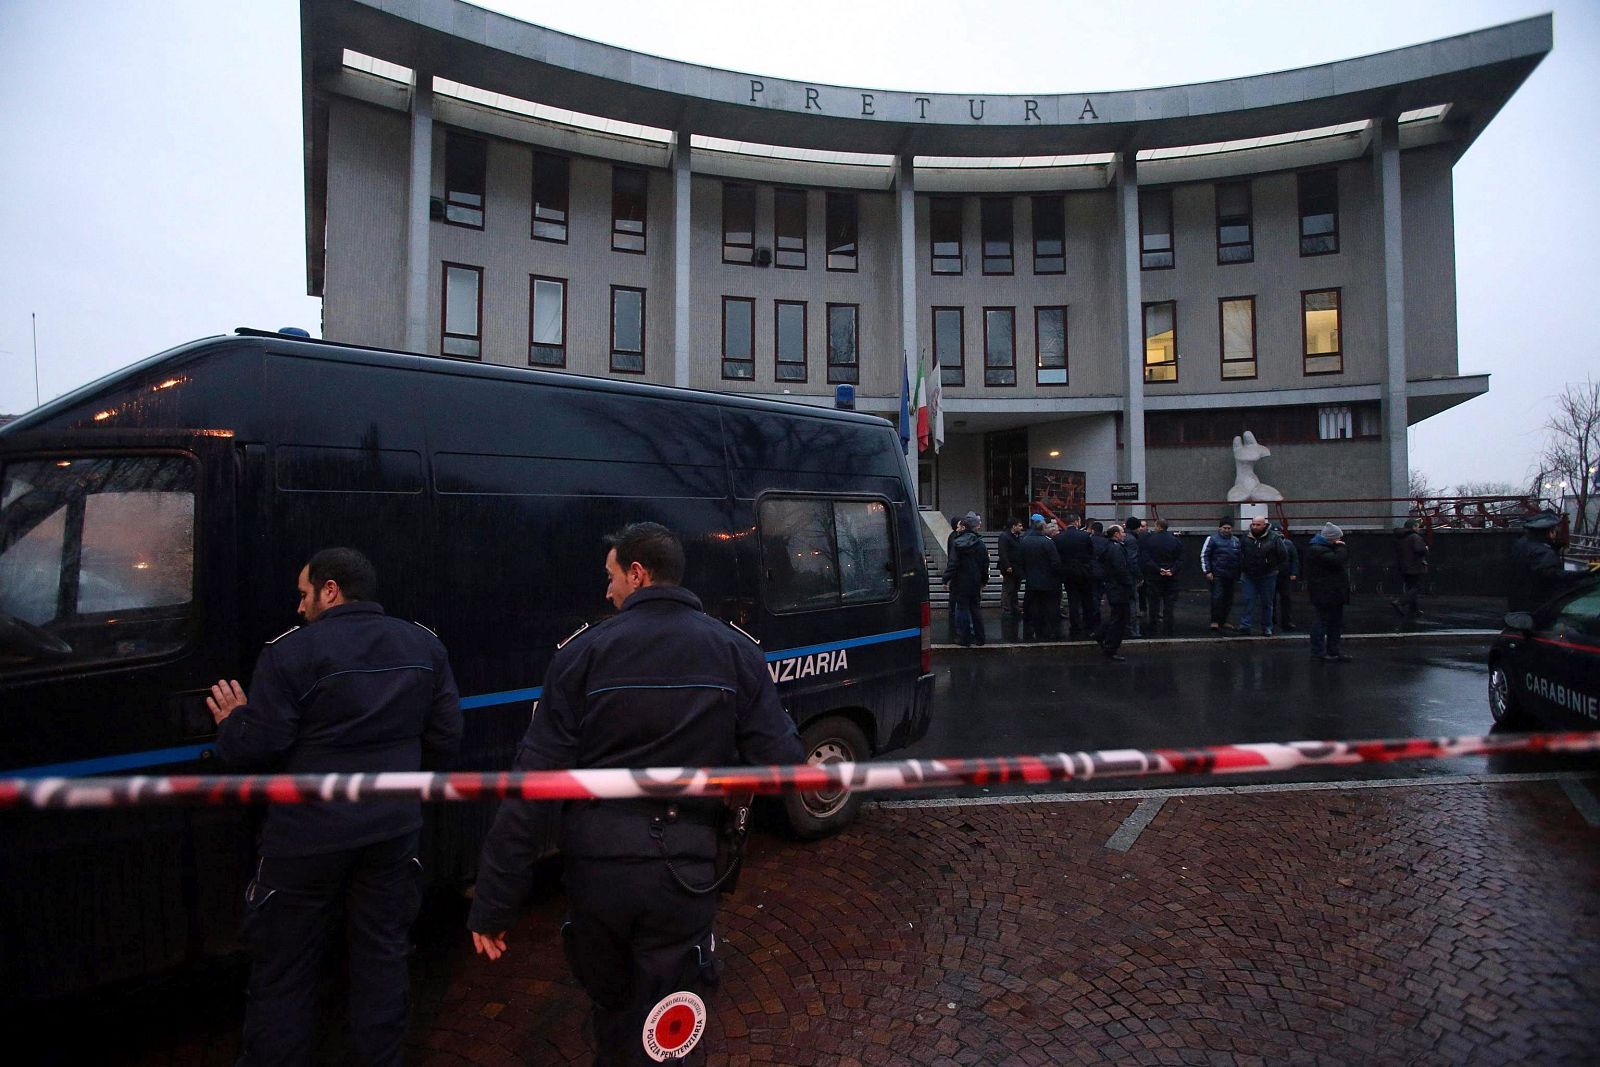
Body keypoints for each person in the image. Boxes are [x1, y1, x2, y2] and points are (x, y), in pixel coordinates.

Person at [467, 522, 803, 1066]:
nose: (607, 590)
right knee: (672, 1023)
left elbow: (533, 785)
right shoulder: (735, 651)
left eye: (611, 576)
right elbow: (786, 767)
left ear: (638, 573)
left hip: (598, 869)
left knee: (614, 1011)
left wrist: (494, 900)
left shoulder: (582, 654)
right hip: (687, 870)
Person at [205, 548, 464, 1067]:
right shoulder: (424, 645)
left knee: (285, 971)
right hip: (391, 834)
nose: (299, 608)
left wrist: (233, 721)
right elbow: (446, 738)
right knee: (382, 958)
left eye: (304, 594)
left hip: (305, 841)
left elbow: (259, 746)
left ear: (330, 590)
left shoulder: (289, 654)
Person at [1507, 509, 1585, 613]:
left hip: (1518, 604)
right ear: (1550, 532)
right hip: (1539, 607)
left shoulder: (1521, 544)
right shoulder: (1544, 552)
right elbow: (1553, 577)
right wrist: (1584, 574)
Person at [1303, 522, 1353, 662]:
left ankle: (1333, 651)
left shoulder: (1322, 548)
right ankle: (1318, 652)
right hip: (1325, 592)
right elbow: (1337, 560)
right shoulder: (1317, 550)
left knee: (1335, 623)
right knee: (1322, 622)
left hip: (1333, 592)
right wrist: (1341, 547)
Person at [944, 511, 990, 646]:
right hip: (975, 581)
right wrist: (984, 580)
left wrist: (946, 578)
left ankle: (964, 638)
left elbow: (953, 563)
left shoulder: (957, 543)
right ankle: (980, 638)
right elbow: (984, 564)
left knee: (962, 609)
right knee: (975, 609)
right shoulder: (980, 544)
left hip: (960, 581)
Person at [1237, 515, 1287, 636]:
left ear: (1264, 525)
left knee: (1267, 602)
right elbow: (1239, 554)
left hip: (1268, 575)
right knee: (1248, 600)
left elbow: (1283, 555)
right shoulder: (1246, 538)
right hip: (1249, 574)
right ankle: (1245, 625)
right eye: (1253, 524)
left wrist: (1275, 569)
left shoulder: (1274, 538)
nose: (1255, 527)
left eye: (1258, 525)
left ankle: (1267, 627)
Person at [1018, 516, 1063, 642]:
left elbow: (1020, 560)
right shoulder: (1048, 542)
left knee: (1031, 606)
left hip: (1031, 580)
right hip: (1048, 581)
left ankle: (1030, 629)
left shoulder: (1025, 541)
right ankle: (1047, 630)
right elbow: (1055, 562)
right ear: (1043, 529)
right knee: (1048, 607)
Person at [1097, 524, 1136, 660]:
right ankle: (1110, 647)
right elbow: (1121, 569)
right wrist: (1129, 583)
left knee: (1116, 616)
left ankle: (1101, 635)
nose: (1124, 534)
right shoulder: (1116, 549)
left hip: (1113, 587)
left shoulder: (1108, 547)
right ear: (1116, 534)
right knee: (1120, 619)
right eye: (1122, 532)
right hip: (1119, 588)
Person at [1056, 514, 1096, 640]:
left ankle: (1075, 625)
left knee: (1073, 600)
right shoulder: (1085, 536)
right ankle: (1088, 625)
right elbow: (1091, 553)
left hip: (1068, 573)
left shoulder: (1059, 538)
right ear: (1076, 522)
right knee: (1087, 600)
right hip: (1084, 572)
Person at [1141, 519, 1183, 637]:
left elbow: (1146, 558)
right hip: (1171, 577)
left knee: (1154, 604)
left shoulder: (1149, 540)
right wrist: (1172, 570)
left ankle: (1152, 629)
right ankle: (1168, 629)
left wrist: (1158, 569)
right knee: (1169, 605)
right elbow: (1180, 559)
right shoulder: (1175, 541)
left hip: (1155, 576)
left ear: (1158, 526)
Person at [1200, 519, 1242, 632]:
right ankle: (1214, 621)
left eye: (1229, 528)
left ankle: (1223, 621)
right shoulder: (1212, 539)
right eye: (1225, 528)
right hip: (1217, 574)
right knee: (1217, 598)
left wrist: (1239, 573)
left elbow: (1239, 558)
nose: (1227, 530)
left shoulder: (1236, 540)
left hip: (1231, 574)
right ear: (1220, 528)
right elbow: (1205, 555)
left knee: (1229, 599)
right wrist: (1207, 571)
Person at [1392, 519, 1429, 624]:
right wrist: (1426, 548)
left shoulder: (1401, 537)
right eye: (1417, 526)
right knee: (1417, 588)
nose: (1419, 528)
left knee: (1410, 587)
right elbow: (1419, 550)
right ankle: (1399, 602)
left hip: (1404, 566)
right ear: (1413, 527)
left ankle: (1414, 610)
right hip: (1414, 566)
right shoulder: (1415, 537)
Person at [1122, 516, 1147, 638]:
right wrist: (1139, 575)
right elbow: (1132, 560)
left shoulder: (1123, 537)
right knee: (1132, 600)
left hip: (1121, 574)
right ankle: (1131, 629)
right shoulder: (1132, 540)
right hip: (1129, 575)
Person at [997, 517, 1025, 619]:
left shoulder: (1017, 537)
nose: (1021, 528)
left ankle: (1014, 607)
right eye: (1019, 526)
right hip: (1010, 568)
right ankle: (1007, 609)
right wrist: (1007, 565)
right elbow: (1002, 552)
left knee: (1015, 589)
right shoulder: (1005, 537)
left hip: (1017, 568)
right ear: (1014, 526)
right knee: (1008, 589)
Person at [1274, 525, 1301, 632]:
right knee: (1272, 600)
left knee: (1286, 599)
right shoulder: (1271, 543)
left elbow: (1294, 559)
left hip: (1284, 576)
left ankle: (1286, 621)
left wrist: (1294, 572)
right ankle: (1273, 620)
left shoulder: (1288, 544)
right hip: (1273, 575)